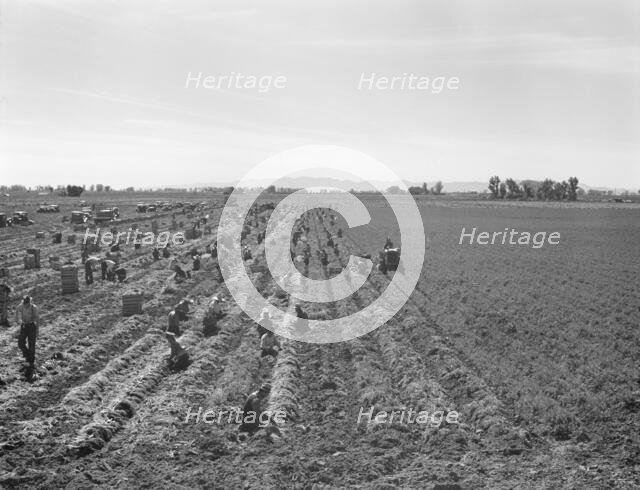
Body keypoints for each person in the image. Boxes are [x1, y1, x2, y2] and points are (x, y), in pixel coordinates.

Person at [16, 295, 39, 367]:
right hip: (23, 326)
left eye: (27, 303)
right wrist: (19, 320)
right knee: (20, 343)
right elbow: (17, 314)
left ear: (30, 302)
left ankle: (31, 361)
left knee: (32, 345)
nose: (25, 305)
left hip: (31, 326)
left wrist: (37, 331)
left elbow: (37, 320)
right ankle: (27, 355)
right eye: (24, 303)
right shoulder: (20, 306)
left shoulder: (34, 308)